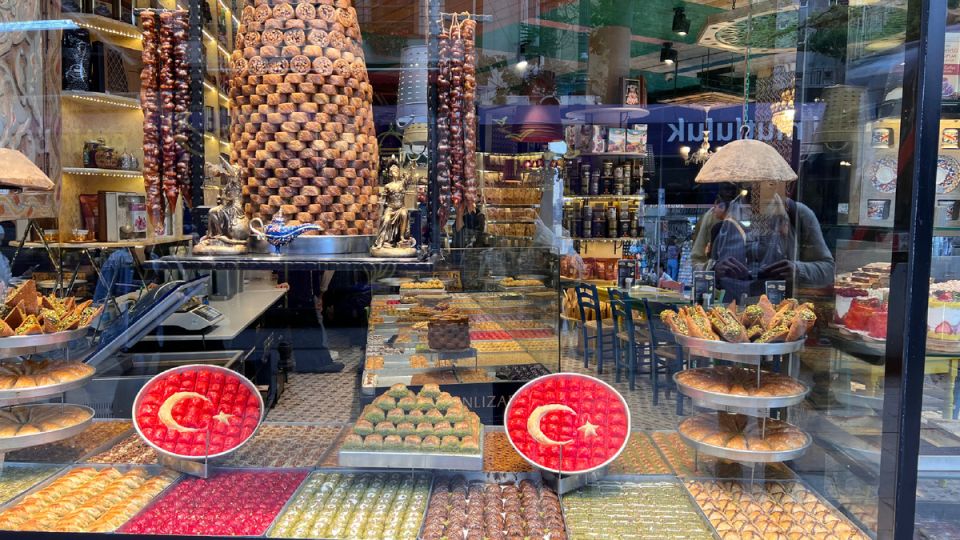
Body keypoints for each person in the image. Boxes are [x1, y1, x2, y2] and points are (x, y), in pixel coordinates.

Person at [708, 181, 834, 301]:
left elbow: (828, 271)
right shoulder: (721, 214)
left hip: (782, 312)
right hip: (728, 311)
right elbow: (701, 267)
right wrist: (715, 270)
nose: (757, 183)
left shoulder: (797, 214)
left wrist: (797, 270)